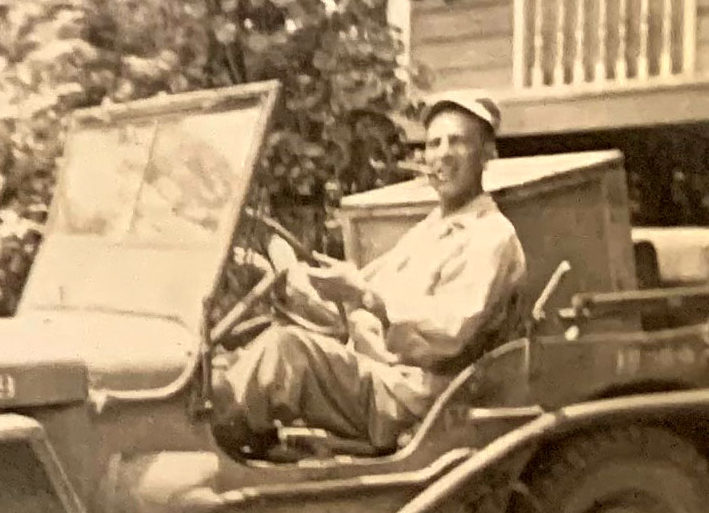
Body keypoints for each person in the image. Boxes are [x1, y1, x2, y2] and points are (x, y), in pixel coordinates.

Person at [213, 92, 527, 455]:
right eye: (433, 143)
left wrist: (365, 295)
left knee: (286, 351)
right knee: (234, 355)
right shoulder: (430, 229)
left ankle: (208, 444)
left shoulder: (491, 237)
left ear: (486, 153)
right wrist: (285, 279)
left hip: (410, 400)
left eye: (457, 142)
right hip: (374, 376)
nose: (442, 154)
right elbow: (349, 310)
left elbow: (451, 329)